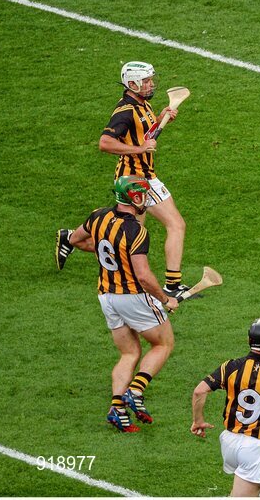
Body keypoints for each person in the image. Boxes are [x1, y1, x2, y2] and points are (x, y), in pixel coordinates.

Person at [56, 61, 189, 298]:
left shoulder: (142, 104)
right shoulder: (125, 111)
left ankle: (71, 237)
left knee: (140, 236)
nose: (150, 84)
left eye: (150, 80)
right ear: (132, 84)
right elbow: (105, 143)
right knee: (165, 229)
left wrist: (161, 118)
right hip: (134, 180)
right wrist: (140, 150)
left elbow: (145, 134)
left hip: (146, 176)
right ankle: (171, 285)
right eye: (146, 81)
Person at [62, 175, 178, 432]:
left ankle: (117, 408)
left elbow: (75, 240)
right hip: (133, 297)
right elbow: (144, 276)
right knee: (163, 343)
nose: (147, 199)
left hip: (107, 297)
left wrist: (109, 250)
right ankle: (135, 392)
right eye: (143, 195)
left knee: (129, 353)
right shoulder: (136, 231)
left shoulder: (98, 216)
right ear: (134, 198)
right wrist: (165, 299)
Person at [190, 318, 260, 497]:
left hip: (228, 441)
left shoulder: (230, 367)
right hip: (255, 448)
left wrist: (198, 421)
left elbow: (199, 392)